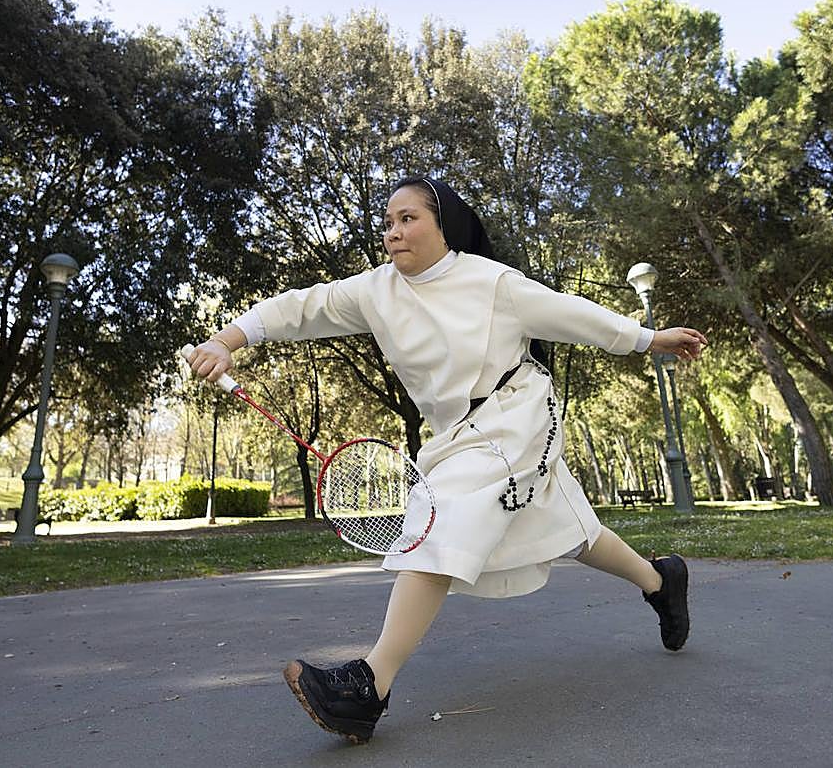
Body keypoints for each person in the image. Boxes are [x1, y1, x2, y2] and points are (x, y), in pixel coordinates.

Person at [186, 176, 708, 745]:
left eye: (408, 218)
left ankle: (369, 687)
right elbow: (301, 308)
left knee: (442, 518)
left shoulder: (491, 282)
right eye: (387, 223)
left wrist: (645, 338)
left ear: (444, 225)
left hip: (517, 413)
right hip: (456, 432)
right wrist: (228, 340)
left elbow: (572, 314)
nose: (393, 232)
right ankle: (662, 581)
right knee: (567, 528)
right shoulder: (375, 291)